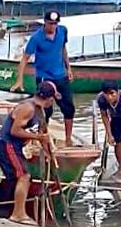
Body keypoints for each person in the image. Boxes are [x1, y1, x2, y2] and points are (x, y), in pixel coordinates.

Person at [0, 81, 57, 225]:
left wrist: (50, 154)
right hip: (6, 143)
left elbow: (43, 133)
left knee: (23, 176)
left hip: (16, 145)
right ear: (50, 98)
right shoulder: (27, 108)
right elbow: (14, 131)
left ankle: (16, 210)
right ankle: (18, 214)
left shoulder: (40, 111)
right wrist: (37, 138)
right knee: (23, 176)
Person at [12, 10, 75, 146]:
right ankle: (42, 139)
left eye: (55, 24)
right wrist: (19, 79)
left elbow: (63, 48)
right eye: (50, 23)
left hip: (60, 75)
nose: (53, 26)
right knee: (45, 110)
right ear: (45, 23)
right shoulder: (36, 38)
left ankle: (68, 139)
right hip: (44, 77)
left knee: (69, 108)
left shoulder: (62, 31)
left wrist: (68, 68)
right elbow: (24, 59)